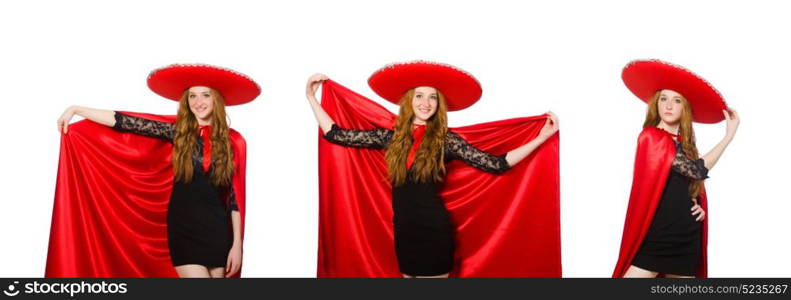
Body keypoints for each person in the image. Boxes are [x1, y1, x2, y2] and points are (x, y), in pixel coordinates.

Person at [306, 61, 559, 278]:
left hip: (434, 231)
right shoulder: (390, 137)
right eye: (419, 95)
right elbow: (336, 134)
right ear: (409, 100)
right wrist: (311, 98)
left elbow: (496, 164)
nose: (426, 103)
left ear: (439, 104)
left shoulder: (446, 140)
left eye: (432, 97)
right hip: (404, 230)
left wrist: (540, 138)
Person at [53, 64, 258, 278]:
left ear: (217, 99)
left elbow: (234, 200)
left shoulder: (232, 141)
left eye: (205, 95)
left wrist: (237, 245)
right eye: (192, 96)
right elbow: (126, 122)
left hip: (218, 233)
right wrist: (76, 109)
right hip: (185, 229)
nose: (198, 102)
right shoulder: (177, 133)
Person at [613, 59, 739, 278]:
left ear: (685, 107)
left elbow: (690, 183)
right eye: (663, 99)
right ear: (656, 104)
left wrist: (698, 206)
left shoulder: (685, 144)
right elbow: (696, 170)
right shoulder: (651, 137)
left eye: (676, 100)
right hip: (655, 236)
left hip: (686, 236)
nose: (669, 105)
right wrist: (728, 137)